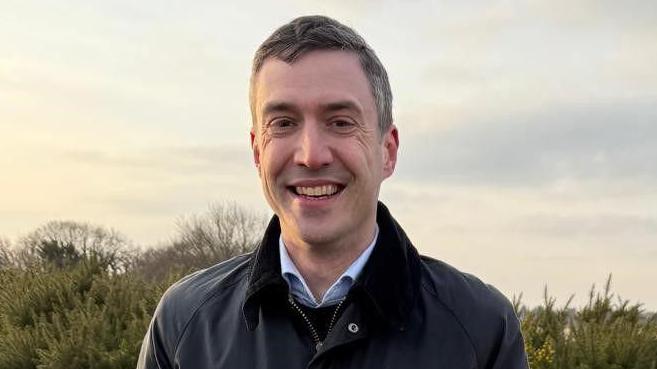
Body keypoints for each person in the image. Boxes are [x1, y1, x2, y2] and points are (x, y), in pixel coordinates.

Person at [137, 15, 529, 369]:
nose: (311, 155)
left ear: (387, 151)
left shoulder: (481, 329)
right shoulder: (184, 324)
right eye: (284, 123)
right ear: (258, 152)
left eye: (340, 122)